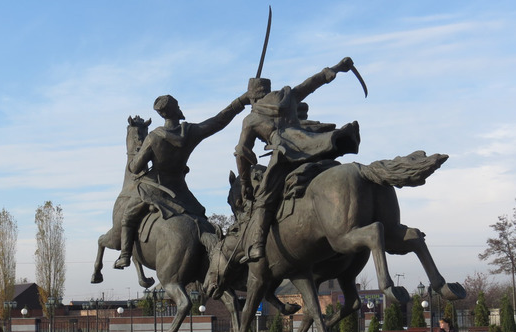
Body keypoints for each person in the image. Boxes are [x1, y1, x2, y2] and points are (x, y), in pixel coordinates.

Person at [235, 57, 361, 262]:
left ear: (252, 97)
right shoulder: (289, 96)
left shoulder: (250, 119)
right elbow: (312, 83)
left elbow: (242, 152)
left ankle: (257, 245)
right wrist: (338, 67)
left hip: (286, 154)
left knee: (264, 198)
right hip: (311, 145)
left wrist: (244, 183)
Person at [113, 92, 249, 269]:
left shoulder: (153, 137)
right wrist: (241, 101)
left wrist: (135, 158)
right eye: (177, 106)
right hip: (181, 192)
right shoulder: (190, 132)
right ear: (176, 110)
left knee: (128, 217)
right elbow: (218, 121)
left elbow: (135, 168)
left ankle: (125, 256)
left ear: (162, 114)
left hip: (154, 190)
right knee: (200, 218)